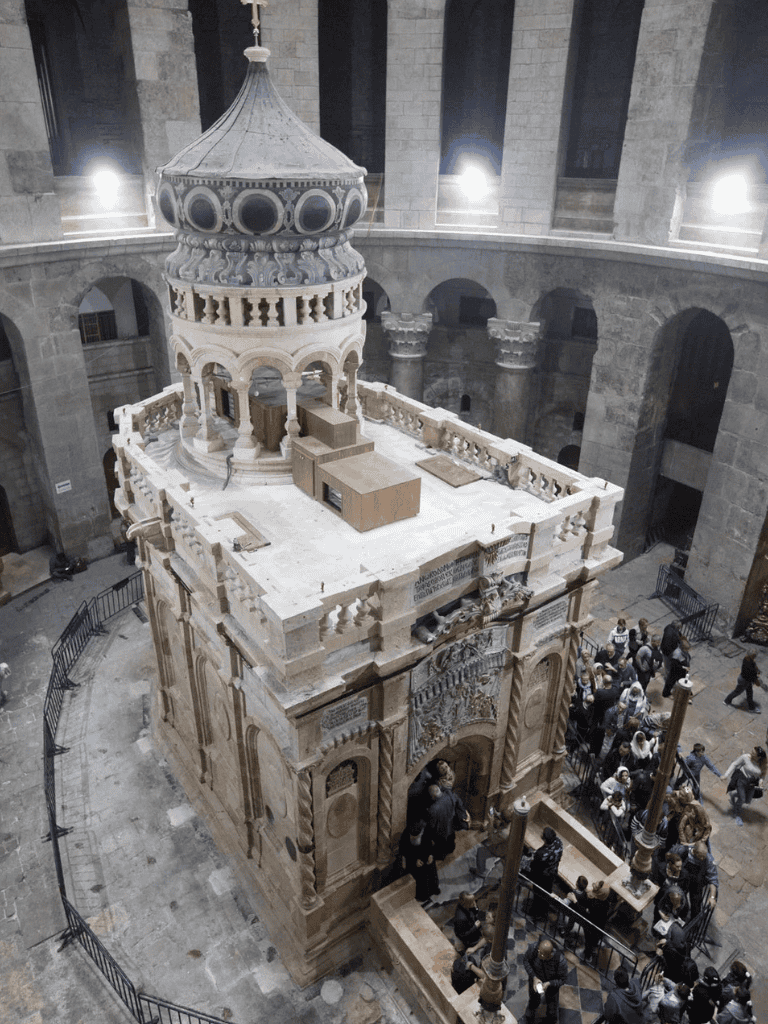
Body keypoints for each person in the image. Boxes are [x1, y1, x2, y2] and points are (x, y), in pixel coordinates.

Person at [521, 938, 567, 1024]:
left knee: (552, 1004)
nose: (539, 955)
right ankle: (530, 1012)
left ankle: (551, 1018)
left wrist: (549, 983)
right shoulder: (534, 949)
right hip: (536, 979)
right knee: (534, 998)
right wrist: (534, 977)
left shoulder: (560, 961)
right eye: (539, 951)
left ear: (550, 954)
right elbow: (526, 961)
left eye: (542, 955)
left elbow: (563, 979)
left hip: (552, 984)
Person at [722, 745, 767, 825]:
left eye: (753, 753)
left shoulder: (763, 764)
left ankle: (734, 794)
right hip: (742, 779)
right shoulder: (745, 757)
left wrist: (761, 781)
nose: (750, 754)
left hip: (752, 783)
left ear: (758, 757)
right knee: (742, 799)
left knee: (747, 800)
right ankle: (737, 814)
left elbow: (763, 775)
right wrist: (726, 775)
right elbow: (734, 764)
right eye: (751, 751)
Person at [424, 783, 470, 860]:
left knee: (441, 846)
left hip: (440, 830)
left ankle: (441, 856)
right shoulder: (449, 795)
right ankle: (451, 849)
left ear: (433, 796)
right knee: (450, 841)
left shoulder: (432, 809)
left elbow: (431, 825)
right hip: (450, 824)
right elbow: (458, 801)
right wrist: (464, 812)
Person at [398, 822, 440, 903]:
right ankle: (422, 896)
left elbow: (432, 844)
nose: (414, 839)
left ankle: (433, 889)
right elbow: (404, 851)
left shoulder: (427, 831)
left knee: (431, 874)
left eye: (416, 837)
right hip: (413, 861)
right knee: (421, 880)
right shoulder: (406, 834)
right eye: (412, 837)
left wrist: (431, 855)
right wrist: (414, 861)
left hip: (425, 857)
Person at [527, 826, 563, 918]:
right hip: (552, 873)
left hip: (541, 877)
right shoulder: (558, 842)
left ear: (545, 839)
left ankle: (537, 913)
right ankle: (545, 908)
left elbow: (535, 865)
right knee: (547, 892)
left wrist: (532, 857)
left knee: (538, 894)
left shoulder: (541, 853)